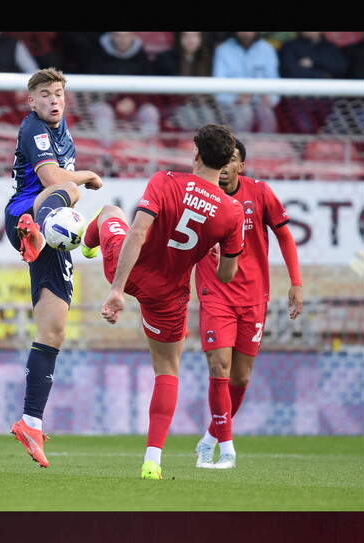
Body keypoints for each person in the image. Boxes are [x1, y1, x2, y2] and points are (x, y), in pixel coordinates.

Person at [81, 123, 246, 480]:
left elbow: (138, 233)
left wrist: (116, 290)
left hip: (129, 270)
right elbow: (226, 276)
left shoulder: (165, 180)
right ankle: (152, 461)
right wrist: (208, 247)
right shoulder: (233, 213)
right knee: (167, 370)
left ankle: (86, 242)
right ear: (225, 164)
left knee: (111, 212)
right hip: (167, 294)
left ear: (196, 154)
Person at [4, 68, 104, 468]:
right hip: (23, 215)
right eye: (44, 94)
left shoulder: (65, 133)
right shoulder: (34, 130)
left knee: (54, 330)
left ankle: (30, 422)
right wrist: (88, 176)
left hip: (50, 239)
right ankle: (38, 230)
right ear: (32, 101)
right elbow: (53, 178)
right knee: (71, 188)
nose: (52, 100)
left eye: (58, 93)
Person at [192, 138, 304, 469]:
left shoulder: (260, 193)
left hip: (254, 297)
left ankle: (210, 438)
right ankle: (227, 449)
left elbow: (284, 236)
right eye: (221, 159)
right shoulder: (198, 196)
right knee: (218, 368)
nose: (225, 165)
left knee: (240, 379)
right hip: (215, 296)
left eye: (232, 160)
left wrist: (296, 282)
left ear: (241, 165)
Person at [86, 32, 160, 142]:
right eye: (118, 35)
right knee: (104, 112)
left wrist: (133, 102)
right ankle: (105, 155)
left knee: (150, 112)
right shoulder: (98, 55)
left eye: (126, 35)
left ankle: (149, 154)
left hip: (135, 105)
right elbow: (92, 88)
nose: (123, 39)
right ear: (112, 36)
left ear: (133, 36)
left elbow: (149, 88)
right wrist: (115, 103)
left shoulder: (142, 57)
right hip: (106, 104)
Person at [212, 32, 281, 134]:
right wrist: (236, 98)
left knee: (265, 112)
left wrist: (268, 98)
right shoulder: (223, 50)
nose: (246, 33)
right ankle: (240, 147)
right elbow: (218, 90)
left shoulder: (267, 49)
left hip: (260, 101)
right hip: (232, 104)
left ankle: (265, 146)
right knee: (244, 112)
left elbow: (275, 84)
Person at [155, 31, 220, 131]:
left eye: (194, 36)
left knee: (208, 117)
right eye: (186, 36)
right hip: (176, 107)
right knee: (188, 115)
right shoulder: (166, 59)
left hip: (203, 106)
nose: (190, 40)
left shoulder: (209, 59)